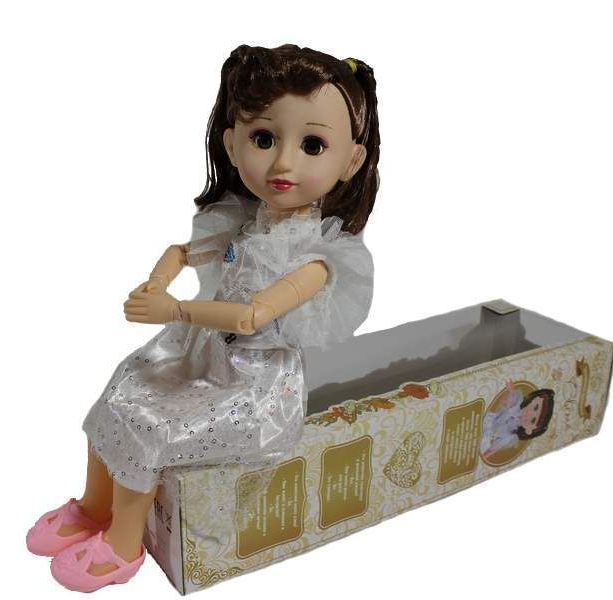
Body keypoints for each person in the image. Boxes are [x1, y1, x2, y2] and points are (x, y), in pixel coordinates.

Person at [25, 43, 381, 592]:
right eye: (264, 138)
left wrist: (174, 309)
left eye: (313, 145)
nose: (283, 163)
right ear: (232, 143)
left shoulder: (316, 259)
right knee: (122, 388)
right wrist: (159, 280)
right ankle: (96, 505)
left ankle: (124, 542)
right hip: (203, 357)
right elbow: (182, 251)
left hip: (255, 385)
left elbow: (252, 316)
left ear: (350, 161)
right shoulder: (242, 223)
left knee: (150, 423)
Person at [480, 380, 555, 458]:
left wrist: (484, 456)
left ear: (529, 430)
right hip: (489, 419)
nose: (529, 413)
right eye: (535, 407)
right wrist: (511, 393)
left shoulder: (510, 434)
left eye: (533, 420)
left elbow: (494, 448)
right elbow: (506, 402)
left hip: (487, 435)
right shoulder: (517, 406)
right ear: (534, 399)